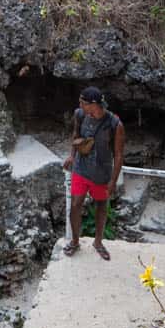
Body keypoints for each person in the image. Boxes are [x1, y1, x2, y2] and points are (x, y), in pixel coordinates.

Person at [62, 86, 124, 261]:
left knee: (101, 206)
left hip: (102, 172)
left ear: (93, 104)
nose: (79, 104)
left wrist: (113, 180)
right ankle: (75, 241)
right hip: (81, 168)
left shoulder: (115, 124)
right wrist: (72, 156)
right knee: (75, 204)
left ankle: (98, 242)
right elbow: (76, 134)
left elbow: (119, 155)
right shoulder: (80, 115)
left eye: (82, 102)